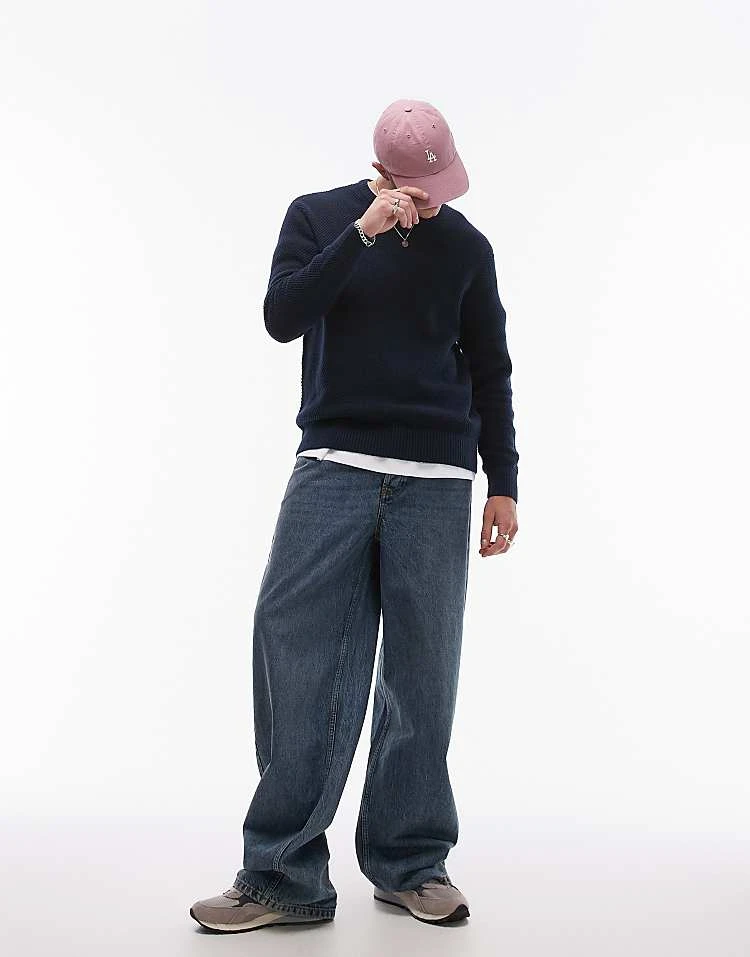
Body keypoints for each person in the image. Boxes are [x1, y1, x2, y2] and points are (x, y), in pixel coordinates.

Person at [190, 98, 519, 933]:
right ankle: (282, 876)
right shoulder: (319, 218)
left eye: (446, 184)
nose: (437, 200)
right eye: (422, 188)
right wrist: (361, 235)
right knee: (295, 655)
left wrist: (504, 482)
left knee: (422, 676)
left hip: (437, 477)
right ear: (383, 174)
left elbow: (491, 366)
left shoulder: (468, 248)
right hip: (334, 466)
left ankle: (411, 862)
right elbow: (282, 317)